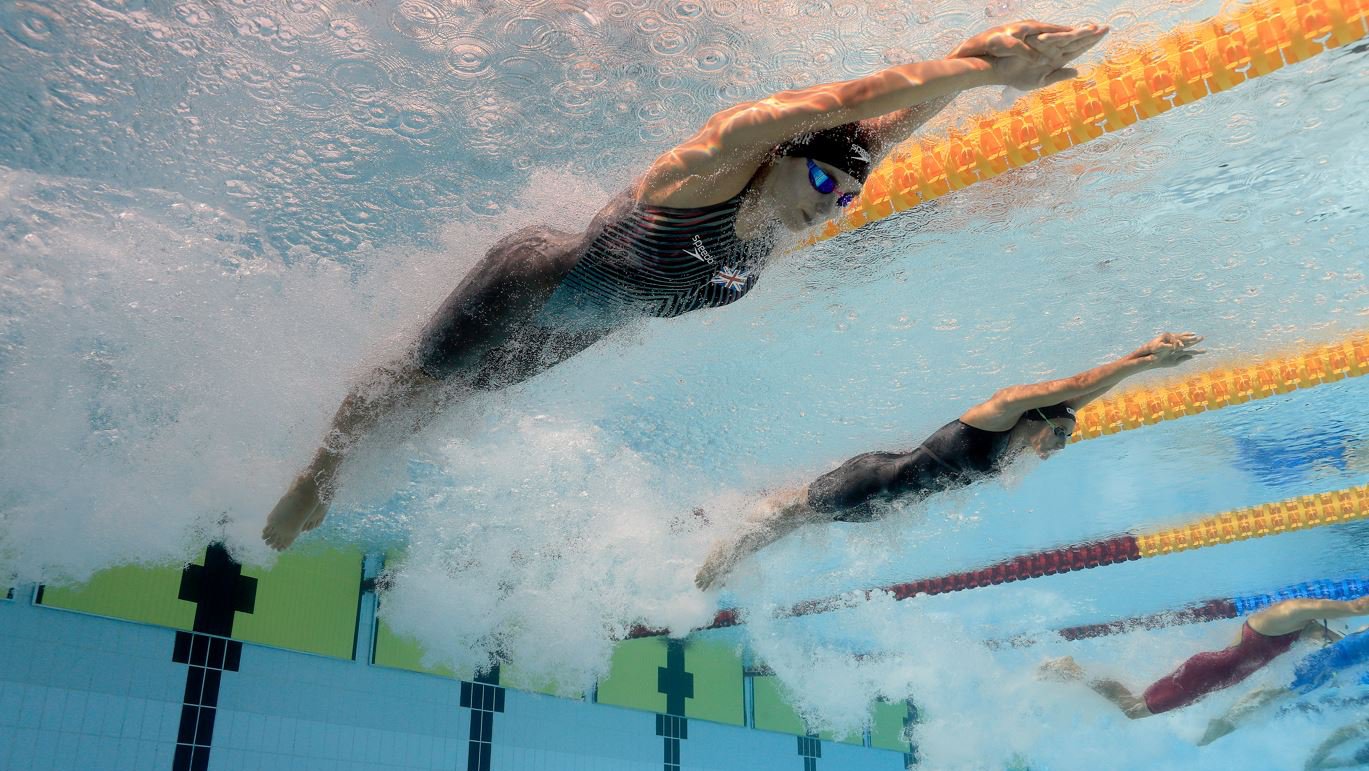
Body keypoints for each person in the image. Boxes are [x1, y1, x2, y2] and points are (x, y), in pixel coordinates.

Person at [262, 21, 1110, 550]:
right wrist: (970, 72)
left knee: (451, 402)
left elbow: (873, 136)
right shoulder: (702, 172)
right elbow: (836, 103)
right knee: (413, 384)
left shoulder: (791, 206)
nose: (836, 205)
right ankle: (317, 473)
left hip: (584, 323)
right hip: (535, 280)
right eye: (823, 185)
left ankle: (349, 465)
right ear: (782, 156)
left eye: (847, 197)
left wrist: (979, 62)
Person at [694, 332, 1203, 590]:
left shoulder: (1018, 440)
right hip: (869, 483)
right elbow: (1074, 387)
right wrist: (1143, 362)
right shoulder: (996, 414)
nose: (1061, 446)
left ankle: (714, 519)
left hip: (880, 506)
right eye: (1062, 436)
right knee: (782, 520)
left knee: (791, 519)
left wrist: (1140, 361)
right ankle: (719, 553)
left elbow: (1077, 400)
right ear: (1039, 418)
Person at [1038, 596, 1369, 721]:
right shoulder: (1290, 613)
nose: (1324, 632)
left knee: (1135, 706)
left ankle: (1073, 671)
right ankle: (1072, 670)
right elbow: (1358, 607)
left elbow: (1334, 640)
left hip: (1218, 678)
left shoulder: (1304, 627)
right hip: (1206, 674)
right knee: (1133, 710)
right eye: (1327, 626)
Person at [1197, 621, 1369, 745]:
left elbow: (1356, 636)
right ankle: (1222, 723)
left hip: (1328, 671)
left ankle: (1225, 724)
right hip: (1322, 664)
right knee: (1271, 693)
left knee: (1274, 697)